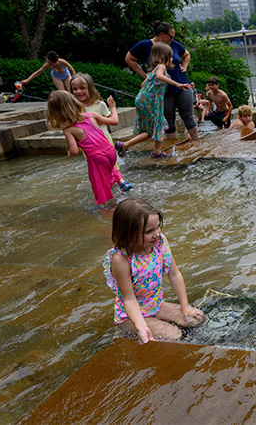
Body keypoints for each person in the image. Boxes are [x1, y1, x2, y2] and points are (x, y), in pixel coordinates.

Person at [103, 198, 205, 343]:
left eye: (158, 227)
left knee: (196, 319)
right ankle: (124, 330)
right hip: (132, 314)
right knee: (174, 335)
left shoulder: (160, 243)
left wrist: (185, 306)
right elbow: (129, 298)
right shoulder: (122, 259)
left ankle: (154, 322)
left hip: (155, 304)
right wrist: (141, 326)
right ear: (127, 233)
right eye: (149, 231)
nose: (156, 233)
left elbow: (174, 274)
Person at [45, 91, 127, 205]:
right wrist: (112, 108)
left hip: (97, 158)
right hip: (111, 152)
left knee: (99, 185)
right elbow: (114, 121)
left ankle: (105, 207)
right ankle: (122, 182)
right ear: (75, 103)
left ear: (56, 113)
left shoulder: (68, 129)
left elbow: (74, 151)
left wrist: (69, 154)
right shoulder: (91, 115)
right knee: (108, 167)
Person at [125, 20, 200, 141]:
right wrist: (146, 76)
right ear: (162, 34)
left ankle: (197, 143)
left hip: (182, 85)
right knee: (168, 120)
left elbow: (186, 54)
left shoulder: (174, 44)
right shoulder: (145, 45)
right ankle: (173, 147)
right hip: (163, 91)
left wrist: (184, 67)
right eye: (171, 36)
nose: (172, 38)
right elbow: (129, 58)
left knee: (188, 117)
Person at [116, 43, 191, 159]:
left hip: (144, 98)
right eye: (170, 56)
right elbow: (160, 76)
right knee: (154, 127)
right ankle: (124, 145)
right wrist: (177, 84)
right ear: (164, 56)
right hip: (152, 100)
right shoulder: (161, 67)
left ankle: (157, 151)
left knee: (157, 125)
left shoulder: (153, 70)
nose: (172, 59)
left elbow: (143, 84)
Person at [70, 73, 132, 192]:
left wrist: (112, 108)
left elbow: (112, 120)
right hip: (88, 146)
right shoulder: (73, 108)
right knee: (99, 170)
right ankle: (111, 189)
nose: (78, 91)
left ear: (90, 88)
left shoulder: (99, 105)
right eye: (74, 89)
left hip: (104, 141)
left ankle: (121, 187)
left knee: (113, 167)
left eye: (82, 88)